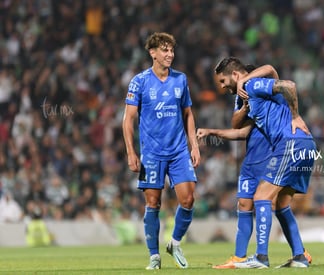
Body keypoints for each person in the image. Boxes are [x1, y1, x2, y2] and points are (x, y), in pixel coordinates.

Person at [196, 64, 310, 269]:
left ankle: (261, 258)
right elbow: (237, 127)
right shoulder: (249, 100)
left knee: (261, 197)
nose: (221, 86)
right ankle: (300, 256)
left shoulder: (252, 85)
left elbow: (287, 83)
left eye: (223, 81)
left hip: (291, 143)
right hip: (303, 144)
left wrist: (295, 115)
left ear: (236, 75)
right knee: (281, 203)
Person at [122, 32, 200, 270]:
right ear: (152, 53)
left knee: (188, 199)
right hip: (151, 154)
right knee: (153, 203)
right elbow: (128, 119)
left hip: (178, 152)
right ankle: (154, 256)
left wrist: (194, 144)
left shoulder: (181, 79)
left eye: (172, 50)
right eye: (164, 50)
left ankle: (174, 242)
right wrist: (131, 152)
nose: (169, 54)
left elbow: (187, 113)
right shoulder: (140, 81)